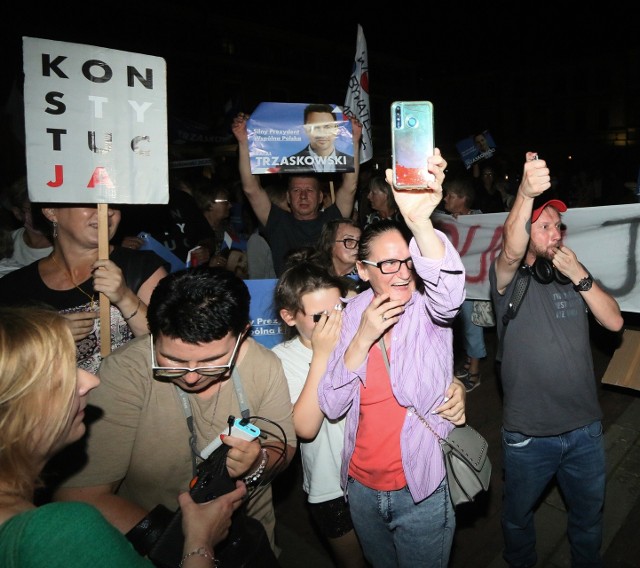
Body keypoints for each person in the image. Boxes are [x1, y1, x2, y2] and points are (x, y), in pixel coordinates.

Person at [54, 266, 297, 557]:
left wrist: (259, 460)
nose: (191, 376)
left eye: (211, 361)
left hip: (249, 547)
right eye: (172, 359)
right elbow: (82, 495)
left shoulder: (265, 365)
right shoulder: (125, 372)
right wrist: (185, 543)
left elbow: (284, 446)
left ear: (243, 333)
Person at [0, 305, 248, 568]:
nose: (90, 381)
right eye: (60, 378)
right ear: (11, 411)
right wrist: (200, 540)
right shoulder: (58, 534)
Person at [317, 149, 468, 567]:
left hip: (420, 486)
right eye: (387, 264)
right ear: (363, 271)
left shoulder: (427, 307)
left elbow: (451, 295)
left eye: (407, 261)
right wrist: (362, 338)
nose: (402, 273)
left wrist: (420, 223)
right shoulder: (348, 317)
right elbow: (330, 404)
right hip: (362, 490)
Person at [491, 152, 623, 568]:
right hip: (530, 435)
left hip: (584, 429)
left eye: (557, 226)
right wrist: (526, 193)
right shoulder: (507, 281)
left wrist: (580, 276)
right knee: (518, 520)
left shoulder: (574, 276)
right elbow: (511, 250)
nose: (555, 233)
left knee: (587, 519)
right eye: (544, 226)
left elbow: (614, 322)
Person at [271, 253, 367, 568]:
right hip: (331, 488)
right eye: (318, 317)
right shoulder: (282, 359)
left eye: (337, 309)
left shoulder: (358, 337)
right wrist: (323, 356)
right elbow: (305, 427)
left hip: (376, 475)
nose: (332, 322)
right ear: (289, 317)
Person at [0, 204, 169, 373]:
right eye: (90, 204)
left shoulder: (141, 267)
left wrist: (125, 298)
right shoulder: (14, 287)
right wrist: (47, 337)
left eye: (114, 206)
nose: (107, 211)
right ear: (52, 211)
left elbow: (174, 348)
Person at [232, 112, 361, 276]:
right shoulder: (277, 222)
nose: (303, 196)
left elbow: (350, 186)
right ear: (288, 197)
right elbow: (251, 189)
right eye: (296, 190)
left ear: (321, 197)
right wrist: (244, 141)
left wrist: (354, 140)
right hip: (290, 297)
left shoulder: (332, 221)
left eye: (309, 190)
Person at [442, 176, 487, 392]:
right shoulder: (448, 220)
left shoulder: (481, 220)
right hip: (456, 285)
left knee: (472, 328)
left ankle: (475, 373)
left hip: (473, 288)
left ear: (463, 199)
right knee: (464, 328)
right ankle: (470, 362)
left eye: (449, 195)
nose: (444, 199)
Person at [0, 175, 52, 277]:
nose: (43, 215)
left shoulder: (67, 246)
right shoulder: (6, 243)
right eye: (33, 210)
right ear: (18, 213)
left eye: (46, 208)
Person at [291, 104, 355, 173]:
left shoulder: (350, 162)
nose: (322, 133)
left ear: (336, 128)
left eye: (327, 127)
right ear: (306, 129)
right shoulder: (288, 165)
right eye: (316, 127)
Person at [316, 218, 365, 293]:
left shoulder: (366, 279)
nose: (357, 246)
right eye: (349, 241)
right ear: (330, 244)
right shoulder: (315, 276)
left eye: (360, 241)